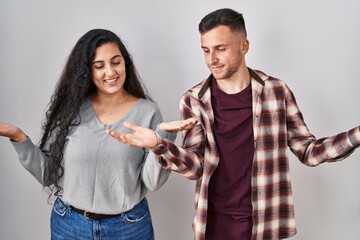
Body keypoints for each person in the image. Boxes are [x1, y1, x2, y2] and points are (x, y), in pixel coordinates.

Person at [106, 8, 360, 240]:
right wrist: (159, 145)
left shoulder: (276, 91)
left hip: (265, 223)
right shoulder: (194, 100)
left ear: (244, 45)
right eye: (206, 50)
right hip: (214, 224)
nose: (211, 59)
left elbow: (309, 152)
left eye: (220, 48)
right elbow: (196, 167)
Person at [0, 29, 176, 239]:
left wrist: (162, 140)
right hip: (69, 226)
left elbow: (152, 182)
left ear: (125, 63)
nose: (110, 72)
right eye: (99, 66)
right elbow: (48, 174)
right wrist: (17, 136)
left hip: (128, 228)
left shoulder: (148, 112)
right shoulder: (71, 110)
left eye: (116, 62)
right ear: (87, 71)